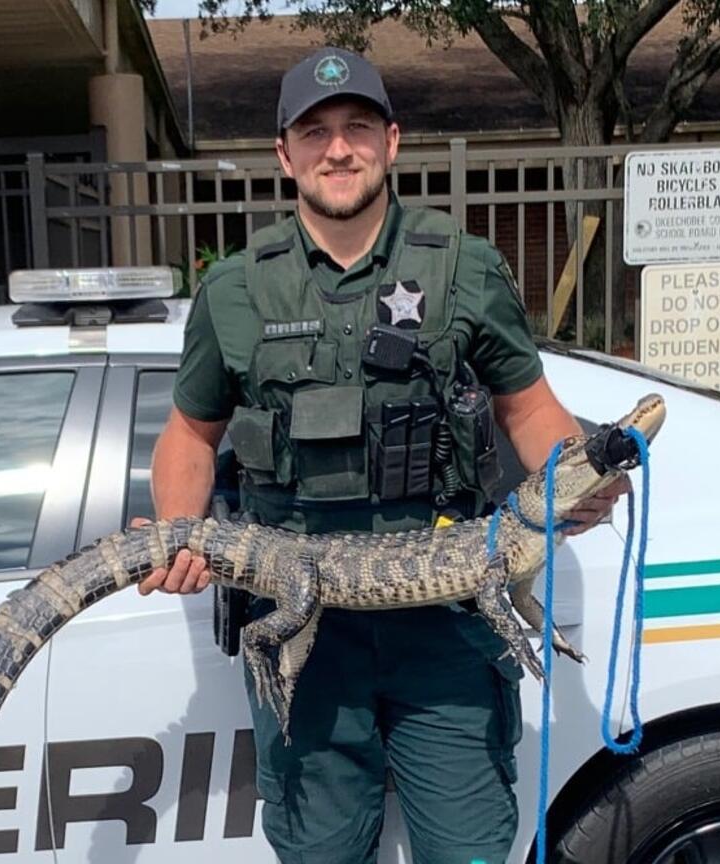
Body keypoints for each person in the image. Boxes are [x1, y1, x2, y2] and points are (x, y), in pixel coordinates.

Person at [136, 46, 629, 864]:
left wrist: (574, 478)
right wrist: (181, 530)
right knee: (321, 852)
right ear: (284, 154)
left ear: (392, 142)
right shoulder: (232, 291)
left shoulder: (465, 268)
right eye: (316, 131)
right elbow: (191, 434)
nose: (339, 148)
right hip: (304, 633)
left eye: (358, 127)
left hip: (449, 625)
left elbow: (529, 406)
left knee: (468, 850)